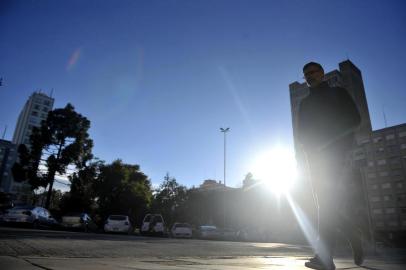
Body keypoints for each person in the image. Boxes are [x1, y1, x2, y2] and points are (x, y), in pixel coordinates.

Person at [297, 62, 364, 270]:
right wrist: (310, 152)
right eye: (306, 74)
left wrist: (334, 143)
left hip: (337, 156)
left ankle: (325, 258)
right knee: (324, 206)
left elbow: (355, 119)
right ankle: (352, 234)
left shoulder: (338, 93)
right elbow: (301, 134)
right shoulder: (304, 103)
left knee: (326, 205)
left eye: (313, 72)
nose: (309, 76)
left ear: (322, 73)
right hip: (315, 161)